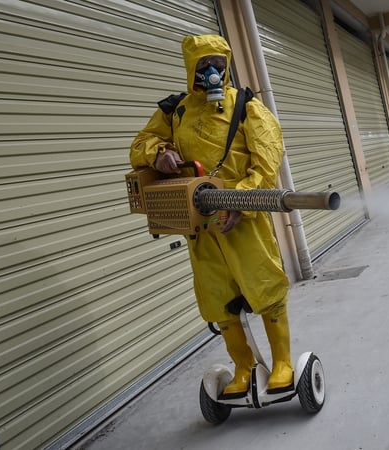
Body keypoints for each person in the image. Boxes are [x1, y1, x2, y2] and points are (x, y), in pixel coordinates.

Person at [129, 34, 293, 399]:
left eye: (218, 63)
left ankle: (282, 363)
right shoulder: (175, 111)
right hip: (200, 225)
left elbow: (268, 159)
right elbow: (139, 144)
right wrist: (157, 154)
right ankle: (244, 367)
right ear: (191, 68)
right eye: (203, 65)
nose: (213, 71)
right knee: (218, 298)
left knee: (264, 287)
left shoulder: (246, 106)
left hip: (242, 218)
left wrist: (240, 201)